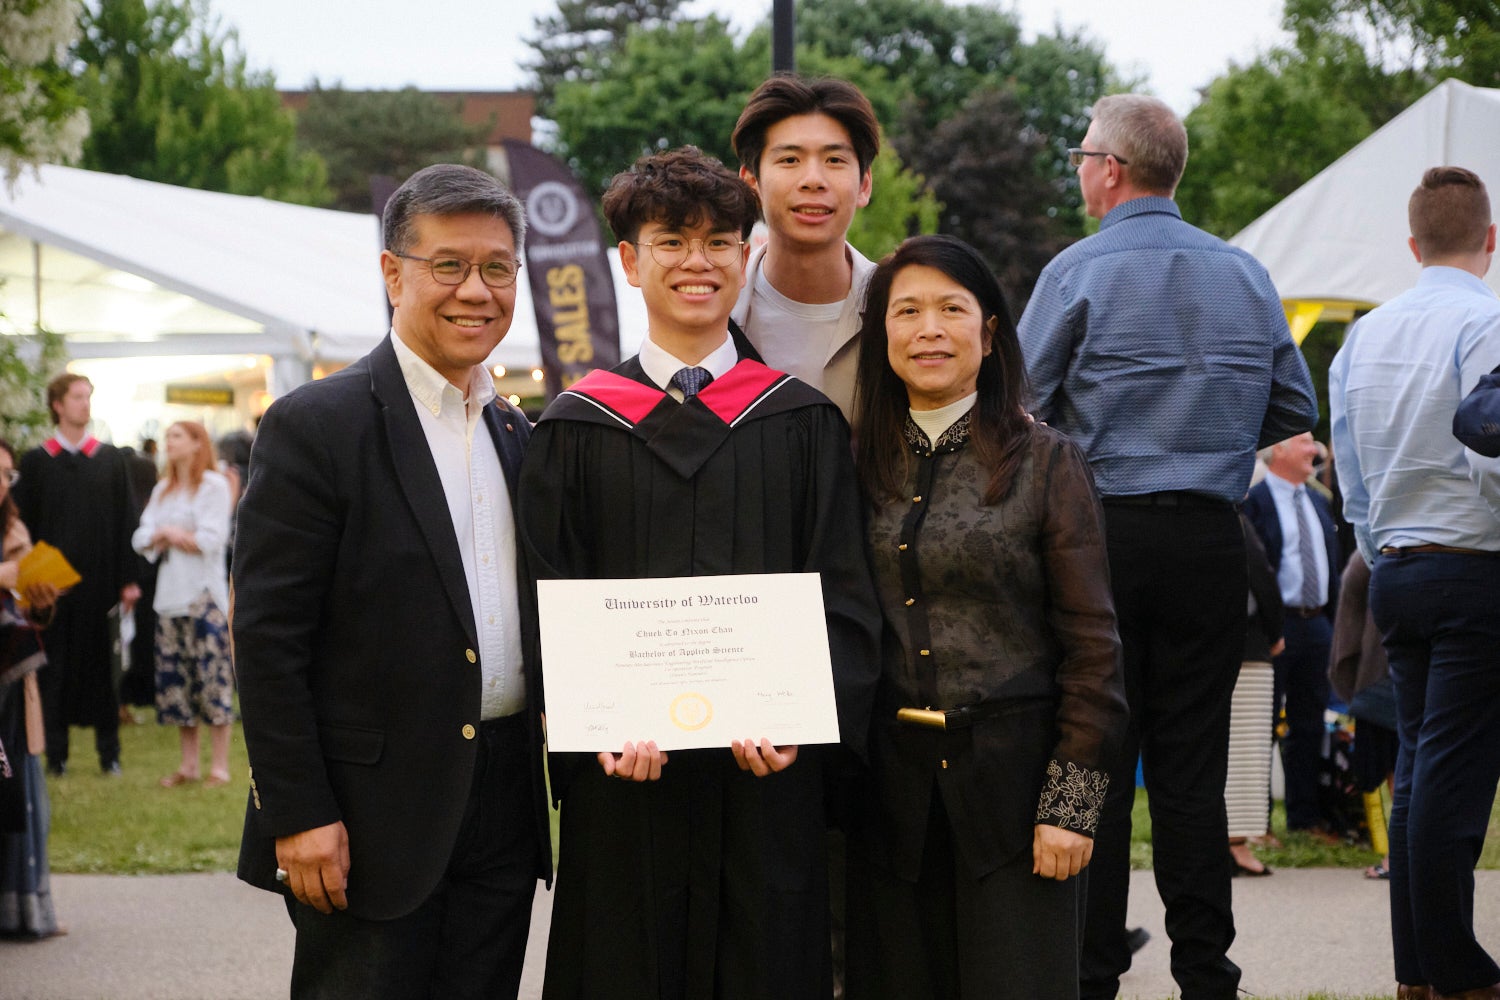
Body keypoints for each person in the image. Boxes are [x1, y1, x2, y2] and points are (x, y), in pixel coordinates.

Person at [518, 146, 882, 1000]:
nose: (698, 262)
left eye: (720, 242)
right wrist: (590, 730)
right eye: (672, 242)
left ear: (747, 256)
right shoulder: (575, 428)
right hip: (625, 788)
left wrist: (804, 726)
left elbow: (846, 597)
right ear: (629, 261)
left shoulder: (800, 422)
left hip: (766, 783)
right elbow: (546, 603)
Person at [1016, 93, 1318, 1000]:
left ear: (1110, 167)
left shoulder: (1076, 271)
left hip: (1098, 538)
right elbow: (1294, 408)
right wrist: (1216, 429)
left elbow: (1020, 402)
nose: (1078, 171)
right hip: (1209, 543)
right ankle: (1206, 972)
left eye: (1081, 157)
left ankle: (1088, 965)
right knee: (1193, 772)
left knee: (1085, 752)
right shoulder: (1247, 275)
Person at [233, 163, 552, 999]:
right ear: (392, 273)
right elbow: (268, 640)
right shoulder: (317, 425)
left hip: (504, 803)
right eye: (448, 265)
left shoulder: (519, 432)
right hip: (366, 813)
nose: (474, 291)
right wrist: (297, 812)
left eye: (496, 267)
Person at [843, 234, 1127, 999]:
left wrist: (1073, 806)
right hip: (888, 799)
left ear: (989, 330)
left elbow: (1095, 650)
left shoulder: (1047, 461)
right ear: (882, 334)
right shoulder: (852, 462)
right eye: (907, 311)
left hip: (1017, 792)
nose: (928, 329)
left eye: (950, 309)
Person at [1329, 165, 1500, 1000]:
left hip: (1395, 564)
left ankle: (1416, 973)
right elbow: (1489, 450)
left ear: (1411, 244)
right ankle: (1457, 970)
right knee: (1455, 775)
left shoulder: (1366, 334)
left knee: (1423, 763)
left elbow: (1350, 472)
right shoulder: (1489, 321)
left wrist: (1381, 542)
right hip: (1476, 565)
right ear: (1492, 241)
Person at [729, 74, 880, 423]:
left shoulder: (899, 313)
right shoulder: (717, 316)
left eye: (834, 161)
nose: (813, 179)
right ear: (751, 184)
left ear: (864, 185)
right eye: (790, 160)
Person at [14, 373, 141, 777]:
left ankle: (110, 753)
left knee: (104, 670)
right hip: (50, 589)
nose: (85, 404)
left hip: (100, 584)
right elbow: (23, 527)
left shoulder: (108, 460)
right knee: (52, 669)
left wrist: (128, 579)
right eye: (77, 397)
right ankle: (57, 756)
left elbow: (127, 522)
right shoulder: (36, 463)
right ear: (57, 404)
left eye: (88, 397)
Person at [1242, 432, 1343, 837]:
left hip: (1317, 624)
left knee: (1310, 723)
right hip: (1274, 625)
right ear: (1279, 449)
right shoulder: (1256, 502)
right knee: (1262, 724)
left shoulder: (1319, 501)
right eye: (1305, 443)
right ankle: (1257, 824)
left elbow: (1332, 564)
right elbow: (1254, 568)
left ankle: (1304, 819)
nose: (1315, 451)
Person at [131, 421, 234, 789]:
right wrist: (166, 535)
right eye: (168, 437)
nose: (169, 443)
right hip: (169, 598)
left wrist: (170, 535)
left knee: (211, 679)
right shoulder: (163, 490)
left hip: (203, 596)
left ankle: (219, 766)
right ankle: (188, 764)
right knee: (176, 681)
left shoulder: (214, 486)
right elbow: (140, 536)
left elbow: (211, 538)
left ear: (196, 444)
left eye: (177, 436)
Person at [0, 438, 63, 939]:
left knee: (22, 792)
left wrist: (39, 600)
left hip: (14, 686)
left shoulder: (14, 529)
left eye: (6, 474)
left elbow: (28, 613)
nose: (1, 483)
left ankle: (21, 913)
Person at [1226, 513, 1282, 878]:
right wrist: (1277, 633)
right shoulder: (1236, 521)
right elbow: (1263, 580)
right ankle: (1236, 844)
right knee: (1246, 750)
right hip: (1247, 650)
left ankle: (1223, 841)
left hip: (1200, 649)